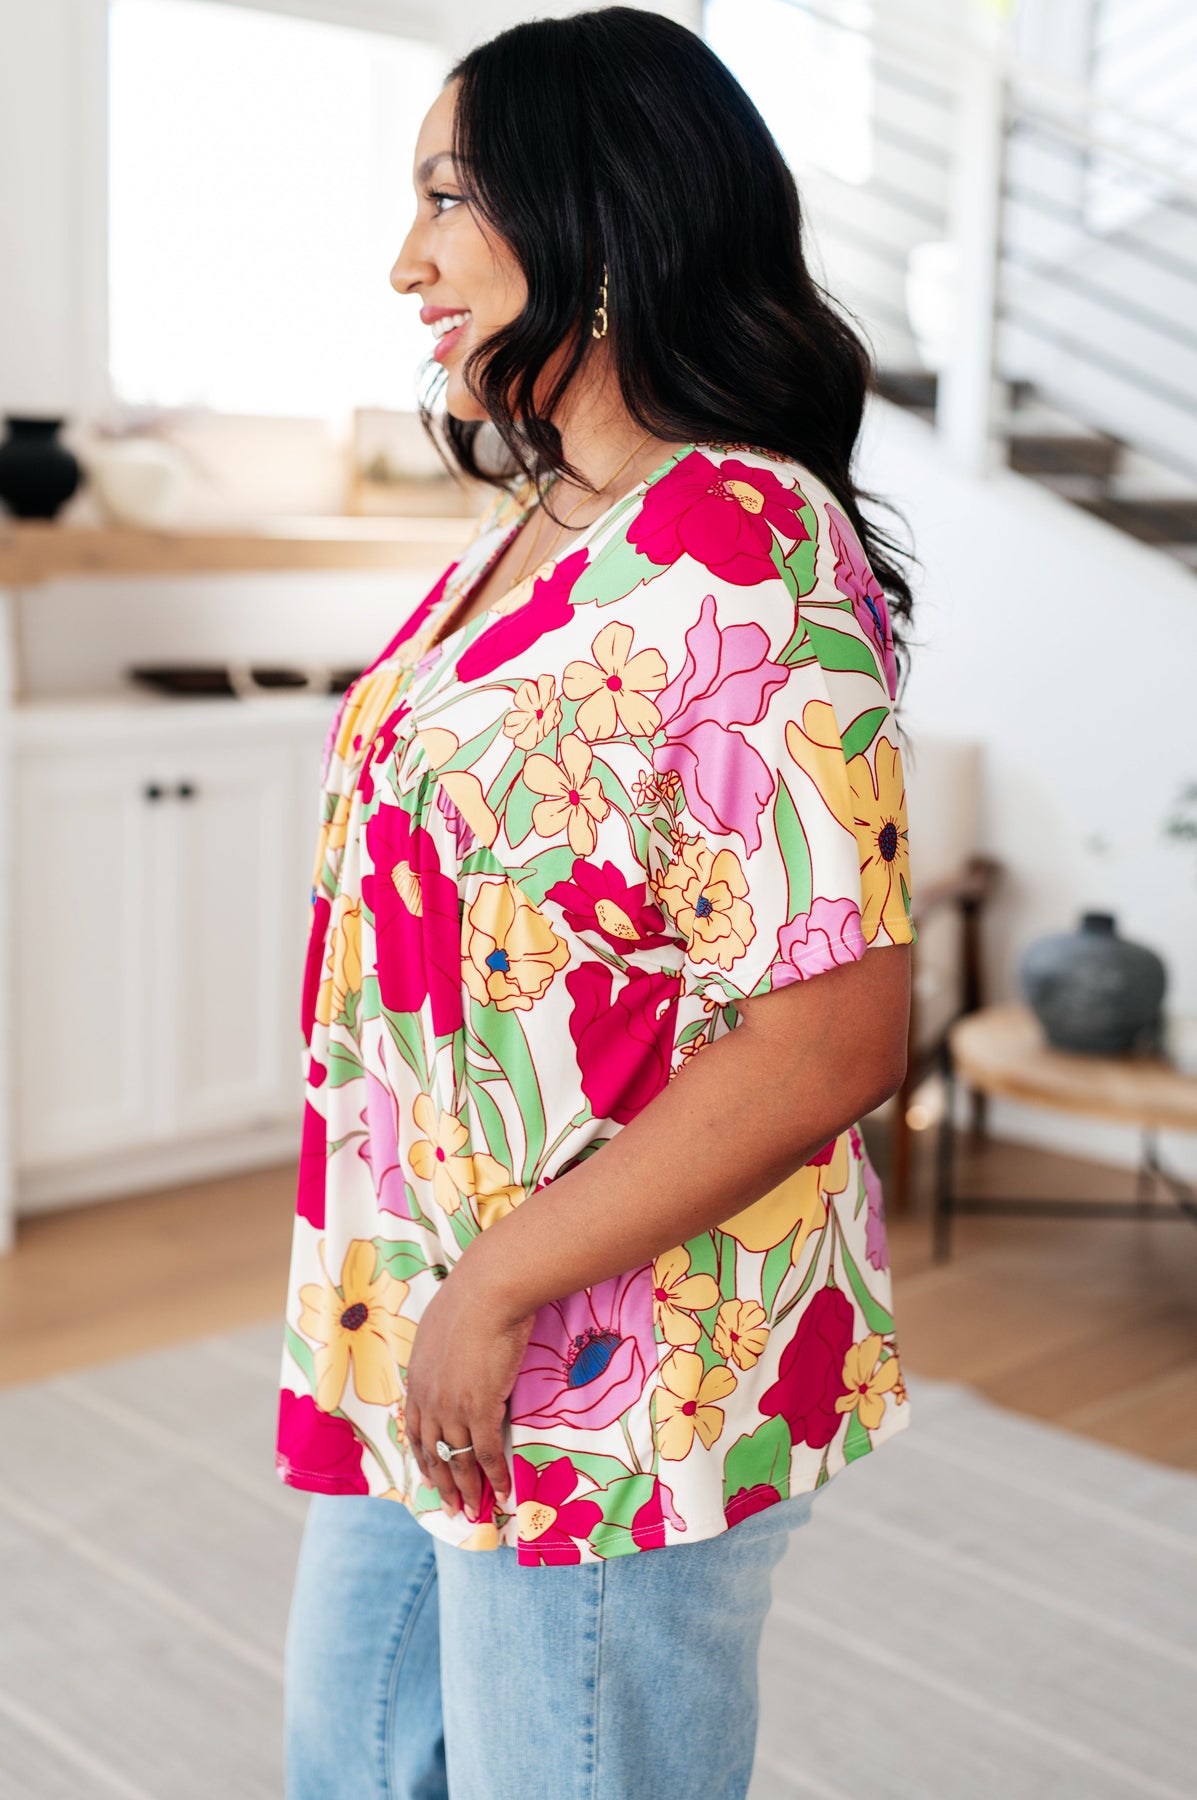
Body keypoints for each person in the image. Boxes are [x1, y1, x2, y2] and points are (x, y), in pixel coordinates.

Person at [278, 8, 920, 1797]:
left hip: (610, 1353)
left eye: (448, 198)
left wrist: (497, 1290)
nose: (406, 261)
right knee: (351, 1760)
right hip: (414, 1294)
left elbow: (825, 1039)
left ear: (604, 220)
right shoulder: (543, 523)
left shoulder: (742, 543)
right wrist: (432, 1288)